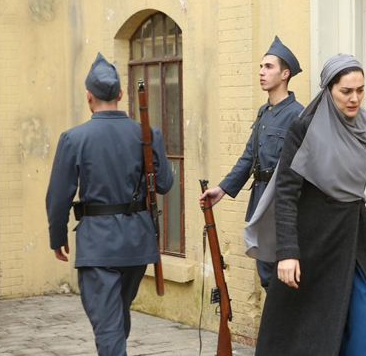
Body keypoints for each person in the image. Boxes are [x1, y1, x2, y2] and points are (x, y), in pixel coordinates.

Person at [251, 54, 366, 356]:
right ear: (328, 89)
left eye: (360, 90)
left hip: (354, 237)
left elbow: (353, 186)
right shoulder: (304, 127)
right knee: (313, 334)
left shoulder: (365, 124)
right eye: (346, 91)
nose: (355, 99)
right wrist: (287, 252)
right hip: (315, 242)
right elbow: (286, 192)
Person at [46, 53, 173, 356]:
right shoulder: (147, 134)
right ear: (120, 95)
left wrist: (57, 236)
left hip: (98, 246)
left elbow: (58, 196)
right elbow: (165, 184)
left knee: (109, 328)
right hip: (137, 245)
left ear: (88, 96)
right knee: (115, 319)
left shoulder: (74, 138)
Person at [200, 36, 303, 290]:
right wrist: (222, 189)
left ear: (285, 74)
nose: (261, 72)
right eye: (260, 66)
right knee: (266, 272)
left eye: (268, 67)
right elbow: (249, 157)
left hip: (282, 203)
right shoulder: (263, 112)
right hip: (260, 201)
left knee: (282, 275)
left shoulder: (298, 115)